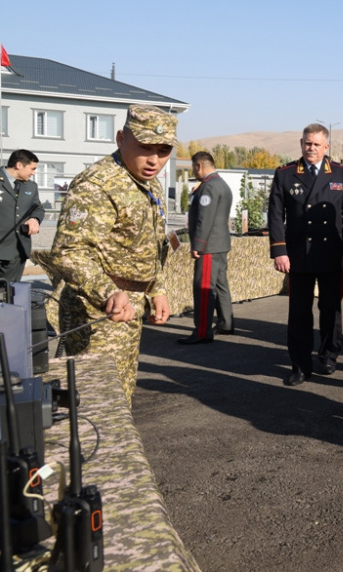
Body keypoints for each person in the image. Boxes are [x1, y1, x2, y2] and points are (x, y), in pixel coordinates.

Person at [50, 105, 177, 405]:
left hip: (131, 308)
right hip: (97, 313)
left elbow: (155, 242)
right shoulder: (97, 185)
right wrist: (108, 291)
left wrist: (156, 289)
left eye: (163, 150)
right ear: (121, 139)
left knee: (120, 399)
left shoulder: (150, 184)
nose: (154, 159)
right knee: (97, 407)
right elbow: (68, 251)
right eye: (145, 147)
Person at [268, 123, 343, 386]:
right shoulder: (285, 174)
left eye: (317, 144)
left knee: (330, 309)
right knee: (298, 313)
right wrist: (279, 251)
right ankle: (299, 364)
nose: (311, 148)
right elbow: (275, 215)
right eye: (308, 143)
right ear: (301, 143)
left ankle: (329, 355)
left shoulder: (340, 173)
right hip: (299, 256)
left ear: (326, 146)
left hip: (331, 253)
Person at [178, 151, 234, 344]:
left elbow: (205, 219)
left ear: (199, 166)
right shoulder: (222, 184)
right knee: (220, 285)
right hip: (220, 244)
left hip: (209, 246)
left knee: (203, 288)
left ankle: (202, 331)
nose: (194, 171)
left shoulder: (209, 187)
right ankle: (226, 322)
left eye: (194, 167)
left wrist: (198, 245)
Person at [0, 149, 44, 283]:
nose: (34, 173)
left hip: (18, 250)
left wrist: (35, 219)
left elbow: (38, 208)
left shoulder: (31, 187)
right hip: (1, 244)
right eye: (32, 168)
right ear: (19, 165)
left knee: (10, 293)